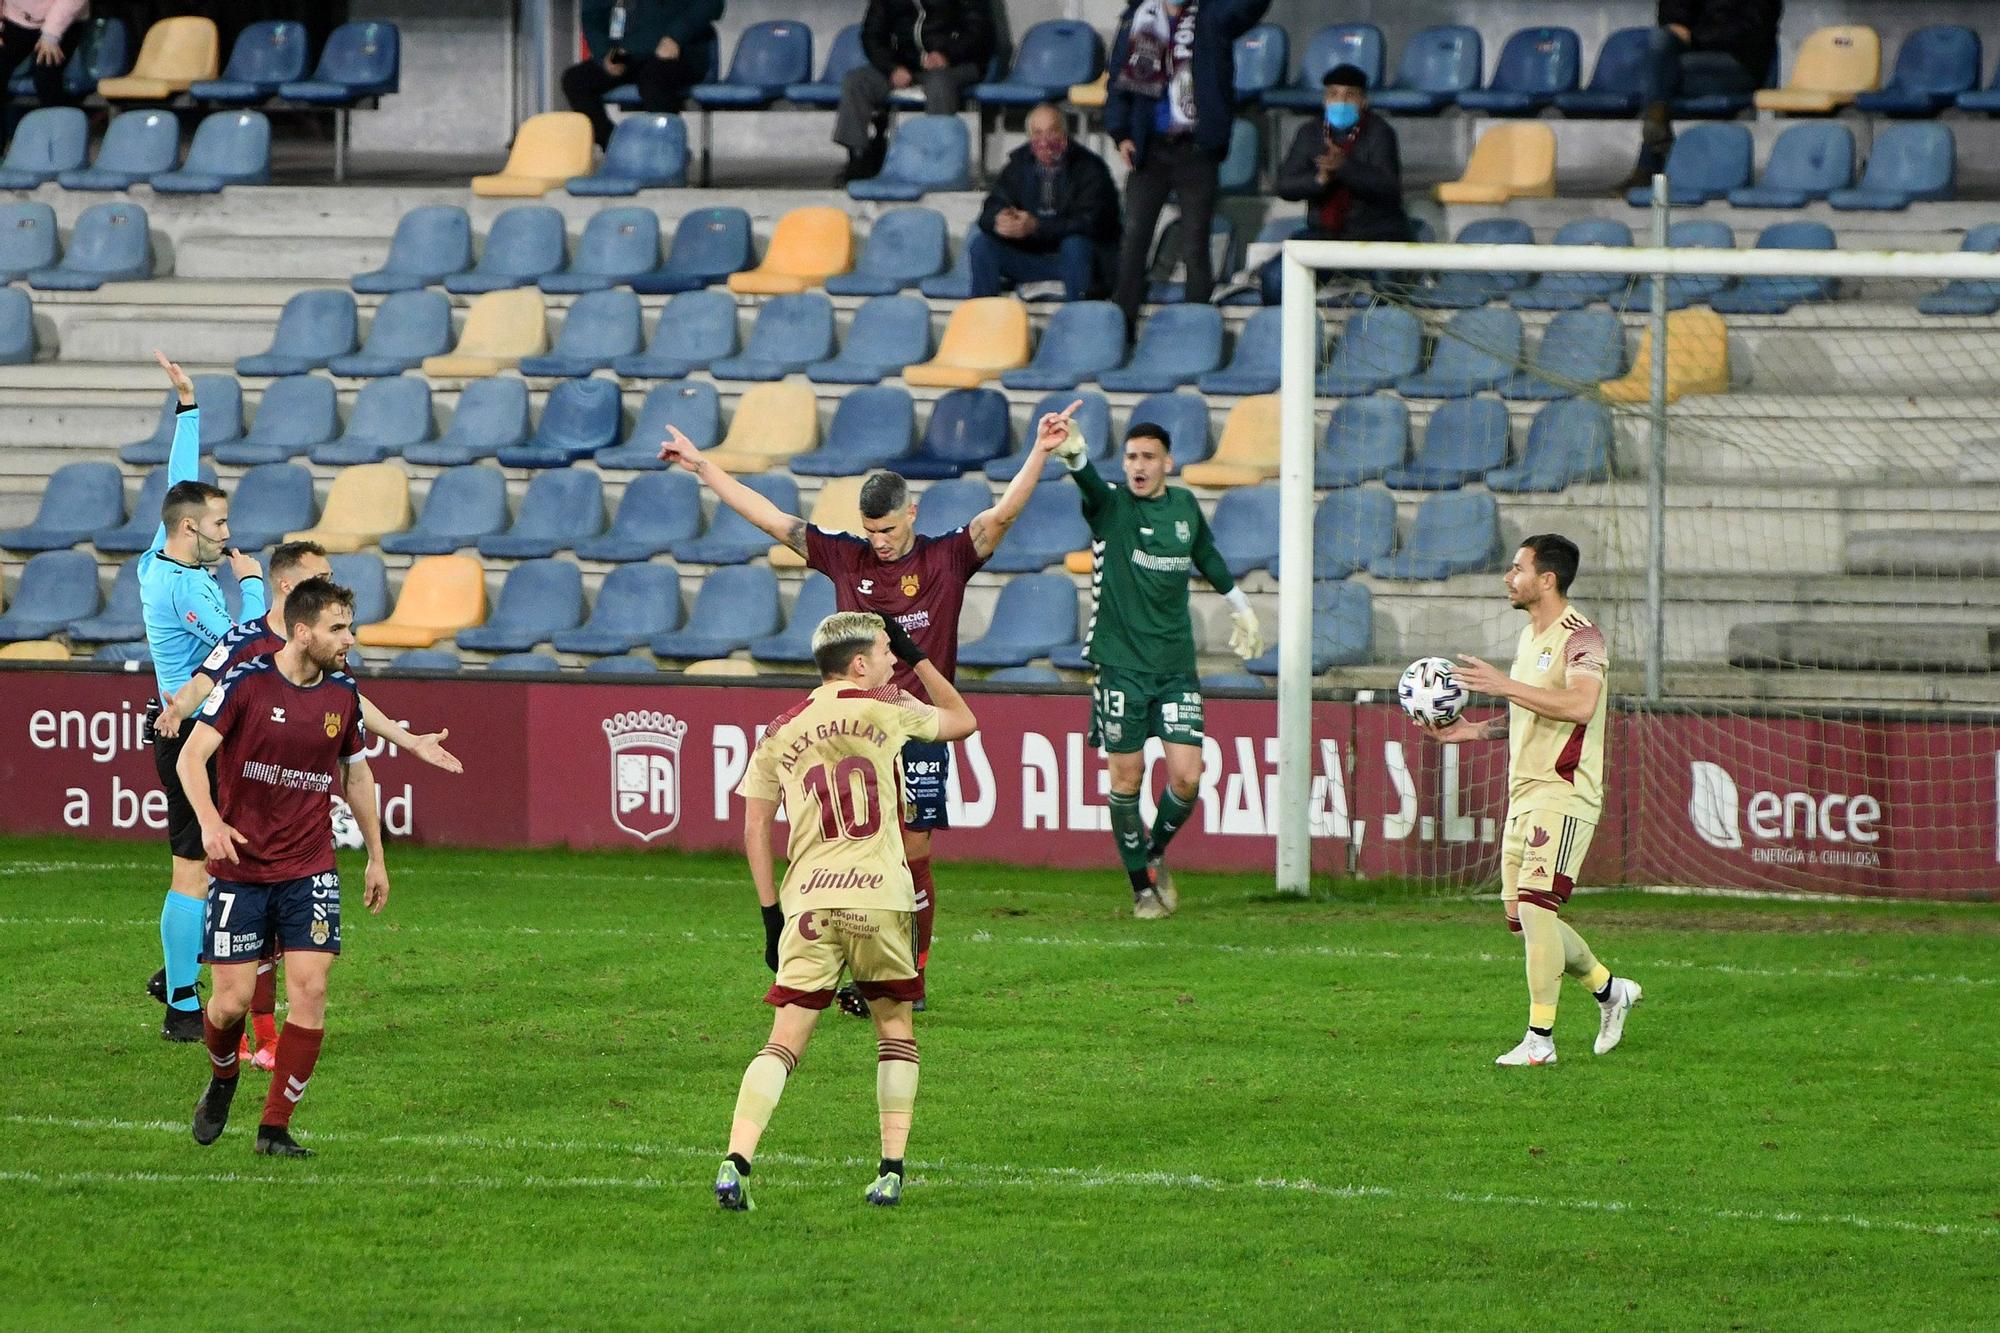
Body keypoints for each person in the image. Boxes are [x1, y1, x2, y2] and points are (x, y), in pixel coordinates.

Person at [659, 410, 1072, 1012]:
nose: (878, 541)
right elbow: (770, 517)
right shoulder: (847, 558)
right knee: (848, 856)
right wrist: (703, 466)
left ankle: (913, 979)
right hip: (852, 730)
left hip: (919, 730)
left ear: (912, 514)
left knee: (911, 854)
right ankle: (845, 966)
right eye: (869, 530)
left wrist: (1038, 450)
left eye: (886, 529)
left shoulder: (946, 560)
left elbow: (1002, 515)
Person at [156, 545, 462, 1070]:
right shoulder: (249, 643)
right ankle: (222, 1020)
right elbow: (205, 682)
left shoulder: (326, 657)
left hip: (296, 821)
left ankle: (267, 1037)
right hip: (243, 796)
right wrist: (176, 713)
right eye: (319, 577)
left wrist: (407, 740)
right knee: (231, 920)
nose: (329, 586)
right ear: (288, 588)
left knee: (286, 937)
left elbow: (352, 705)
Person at [715, 611, 978, 1211]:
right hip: (879, 895)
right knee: (894, 1028)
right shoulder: (885, 706)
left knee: (784, 1041)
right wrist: (923, 659)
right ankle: (890, 1170)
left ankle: (737, 1160)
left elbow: (755, 826)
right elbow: (964, 720)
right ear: (859, 663)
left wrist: (768, 914)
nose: (892, 660)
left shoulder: (781, 729)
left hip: (807, 900)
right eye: (886, 650)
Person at [181, 578, 389, 1158]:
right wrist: (210, 822)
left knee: (312, 988)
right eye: (338, 629)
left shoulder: (343, 696)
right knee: (229, 1002)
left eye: (350, 627)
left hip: (310, 867)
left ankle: (274, 1128)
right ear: (303, 632)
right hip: (241, 868)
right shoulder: (245, 684)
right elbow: (192, 756)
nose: (350, 639)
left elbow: (358, 775)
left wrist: (375, 856)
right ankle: (223, 1079)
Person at [1421, 535, 1642, 1066]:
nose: (1507, 576)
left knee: (1540, 908)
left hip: (1564, 792)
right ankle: (1610, 990)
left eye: (1517, 568)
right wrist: (1472, 733)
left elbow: (1582, 705)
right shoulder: (1529, 638)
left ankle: (1540, 1040)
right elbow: (1532, 713)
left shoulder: (1583, 637)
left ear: (1547, 579)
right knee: (1521, 917)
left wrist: (1503, 685)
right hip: (1523, 792)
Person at [1051, 415, 1264, 918]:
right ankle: (1141, 888)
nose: (1138, 466)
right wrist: (1076, 454)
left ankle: (1151, 854)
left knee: (1188, 776)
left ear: (1167, 463)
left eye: (1148, 457)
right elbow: (1087, 480)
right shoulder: (1113, 507)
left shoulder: (1185, 506)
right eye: (1130, 457)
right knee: (1127, 775)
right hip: (1121, 664)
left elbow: (1205, 553)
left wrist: (1241, 605)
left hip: (1174, 665)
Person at [140, 349, 268, 1042]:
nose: (228, 533)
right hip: (190, 733)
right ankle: (181, 1003)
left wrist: (188, 406)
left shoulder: (156, 550)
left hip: (185, 721)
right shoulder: (188, 588)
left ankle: (177, 965)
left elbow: (179, 483)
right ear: (192, 531)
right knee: (193, 865)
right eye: (219, 526)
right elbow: (240, 640)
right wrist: (251, 580)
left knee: (212, 861)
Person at [1105, 0, 1269, 332]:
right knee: (1134, 240)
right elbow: (1118, 82)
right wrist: (1121, 133)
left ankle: (1196, 330)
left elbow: (1250, 7)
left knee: (1196, 244)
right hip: (1149, 149)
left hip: (1195, 149)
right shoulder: (1137, 18)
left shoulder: (1212, 15)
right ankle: (1121, 330)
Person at [1260, 63, 1410, 306]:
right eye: (1333, 94)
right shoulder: (1310, 132)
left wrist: (1344, 168)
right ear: (1324, 99)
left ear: (1363, 102)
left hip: (1374, 234)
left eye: (1349, 95)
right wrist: (1320, 179)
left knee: (1390, 288)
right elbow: (1285, 185)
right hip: (1324, 234)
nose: (1340, 101)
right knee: (1275, 278)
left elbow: (1388, 187)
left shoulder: (1380, 132)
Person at [968, 102, 1121, 302]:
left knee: (1075, 245)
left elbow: (1092, 222)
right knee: (982, 246)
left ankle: (1079, 321)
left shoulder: (1090, 168)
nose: (1045, 141)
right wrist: (1001, 220)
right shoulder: (1018, 165)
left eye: (1052, 132)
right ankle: (983, 322)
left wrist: (1036, 227)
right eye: (1037, 134)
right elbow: (991, 208)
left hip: (1078, 261)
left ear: (1064, 135)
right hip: (1033, 257)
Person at [1622, 0, 1783, 189]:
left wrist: (1695, 37)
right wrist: (1676, 23)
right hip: (1695, 56)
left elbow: (1750, 30)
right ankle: (1656, 124)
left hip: (1739, 63)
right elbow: (1672, 7)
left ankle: (1649, 160)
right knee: (1660, 40)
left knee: (1662, 76)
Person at [836, 0, 994, 184]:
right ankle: (859, 158)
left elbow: (979, 31)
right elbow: (872, 35)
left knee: (939, 83)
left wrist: (947, 55)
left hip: (958, 63)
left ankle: (938, 160)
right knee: (857, 81)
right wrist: (891, 67)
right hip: (906, 64)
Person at [563, 0, 724, 149]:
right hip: (627, 52)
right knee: (575, 80)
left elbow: (712, 4)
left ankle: (666, 151)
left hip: (679, 48)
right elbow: (592, 15)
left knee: (654, 79)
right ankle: (618, 148)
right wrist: (605, 53)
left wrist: (676, 37)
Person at [0, 0, 87, 130]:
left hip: (64, 20)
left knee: (45, 77)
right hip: (15, 17)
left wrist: (51, 34)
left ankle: (64, 134)